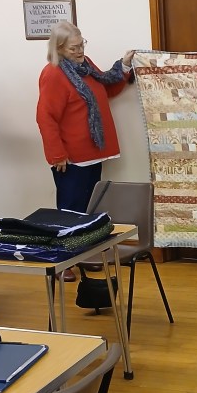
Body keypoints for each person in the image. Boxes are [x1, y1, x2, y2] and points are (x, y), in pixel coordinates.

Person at [36, 22, 135, 279]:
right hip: (71, 157)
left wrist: (124, 66)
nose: (80, 51)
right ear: (59, 48)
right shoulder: (53, 74)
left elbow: (107, 88)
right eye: (74, 48)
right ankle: (62, 263)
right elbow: (46, 118)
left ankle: (83, 255)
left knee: (88, 210)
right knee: (69, 211)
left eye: (82, 45)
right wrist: (57, 154)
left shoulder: (85, 66)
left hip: (93, 152)